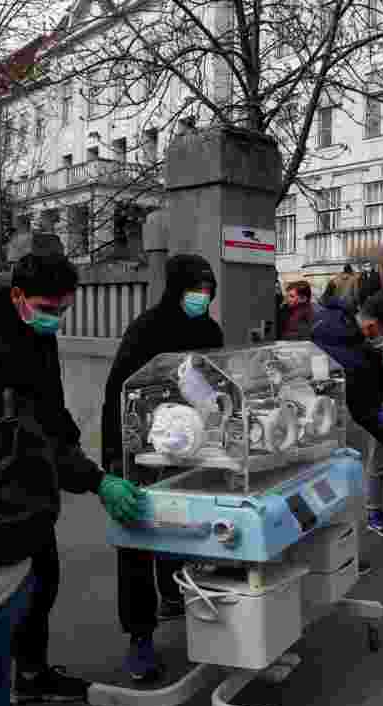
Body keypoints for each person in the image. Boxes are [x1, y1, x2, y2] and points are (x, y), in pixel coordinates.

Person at [0, 252, 144, 704]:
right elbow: (31, 434)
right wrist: (94, 480)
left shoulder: (37, 336)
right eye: (48, 309)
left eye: (63, 310)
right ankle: (4, 679)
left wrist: (77, 446)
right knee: (5, 594)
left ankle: (31, 673)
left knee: (43, 578)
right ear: (17, 297)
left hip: (33, 482)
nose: (56, 319)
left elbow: (52, 410)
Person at [100, 254, 224, 682]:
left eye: (208, 289)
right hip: (143, 449)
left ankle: (176, 593)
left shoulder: (209, 330)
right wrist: (115, 458)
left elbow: (219, 381)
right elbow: (116, 392)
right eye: (195, 288)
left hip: (191, 448)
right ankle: (140, 636)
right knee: (137, 535)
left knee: (186, 524)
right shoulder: (146, 329)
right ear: (175, 288)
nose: (202, 296)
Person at [312, 293, 383, 541]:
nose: (381, 337)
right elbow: (364, 408)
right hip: (333, 416)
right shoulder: (351, 349)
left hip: (333, 410)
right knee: (355, 471)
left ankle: (345, 536)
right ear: (372, 325)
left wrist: (376, 350)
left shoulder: (340, 324)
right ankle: (360, 525)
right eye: (381, 332)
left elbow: (359, 354)